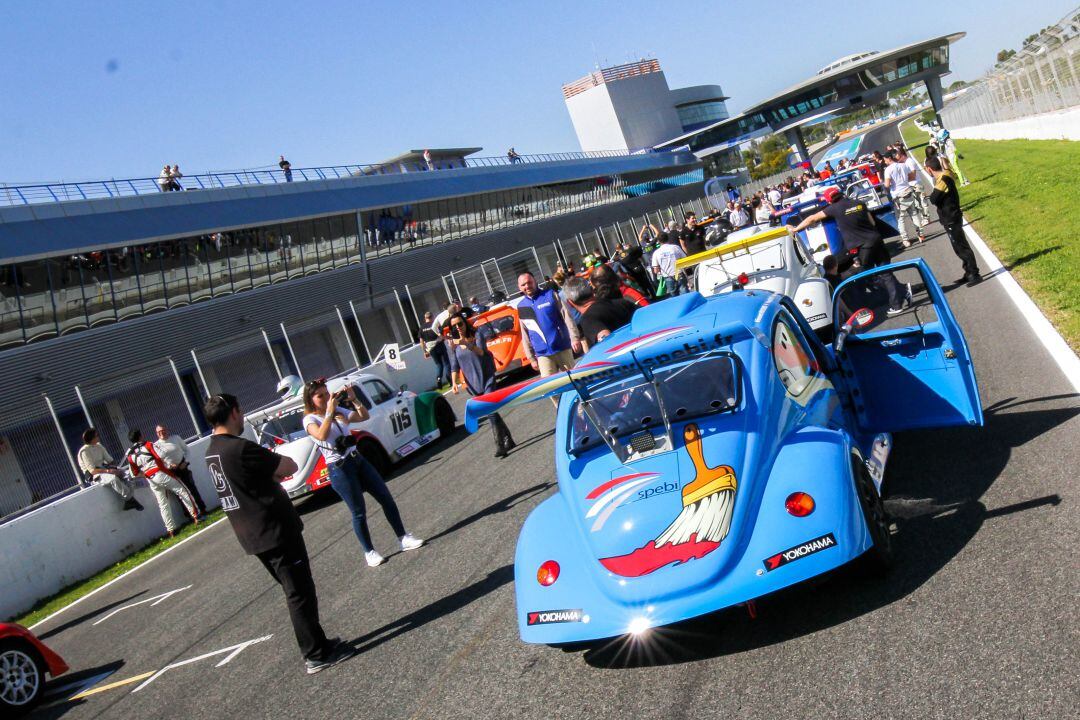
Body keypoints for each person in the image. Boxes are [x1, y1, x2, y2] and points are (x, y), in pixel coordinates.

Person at [203, 393, 354, 674]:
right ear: (234, 413)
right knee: (299, 593)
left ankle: (319, 642)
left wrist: (267, 474)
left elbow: (247, 480)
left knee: (296, 590)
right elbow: (288, 466)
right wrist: (270, 472)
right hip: (274, 530)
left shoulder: (212, 452)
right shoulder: (240, 448)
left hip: (253, 534)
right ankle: (315, 654)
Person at [302, 379, 423, 567]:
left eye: (327, 393)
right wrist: (329, 412)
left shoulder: (338, 411)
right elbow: (321, 436)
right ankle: (369, 552)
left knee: (385, 496)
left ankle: (403, 537)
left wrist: (354, 399)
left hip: (357, 459)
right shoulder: (310, 420)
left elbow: (363, 416)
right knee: (358, 512)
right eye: (320, 396)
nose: (326, 398)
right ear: (310, 400)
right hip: (339, 468)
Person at [793, 186, 907, 315]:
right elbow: (872, 223)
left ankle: (901, 293)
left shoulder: (833, 209)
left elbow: (812, 219)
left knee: (867, 274)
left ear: (829, 200)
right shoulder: (858, 203)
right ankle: (899, 299)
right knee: (885, 272)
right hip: (877, 240)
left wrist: (796, 229)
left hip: (864, 246)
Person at [448, 314, 516, 457]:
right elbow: (454, 366)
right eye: (454, 326)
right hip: (473, 383)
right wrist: (454, 383)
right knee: (491, 411)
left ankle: (500, 445)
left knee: (490, 410)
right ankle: (508, 437)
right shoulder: (453, 344)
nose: (458, 327)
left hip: (487, 377)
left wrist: (466, 343)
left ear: (465, 323)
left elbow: (480, 352)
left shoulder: (477, 334)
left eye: (460, 324)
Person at [126, 429, 199, 537]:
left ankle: (171, 530)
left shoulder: (129, 454)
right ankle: (196, 516)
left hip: (150, 479)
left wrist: (147, 473)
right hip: (161, 473)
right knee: (182, 491)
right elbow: (162, 454)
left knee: (163, 504)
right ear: (140, 436)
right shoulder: (148, 444)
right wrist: (169, 464)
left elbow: (134, 473)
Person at [925, 156, 981, 286]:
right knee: (958, 247)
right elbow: (948, 167)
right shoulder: (946, 174)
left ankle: (974, 273)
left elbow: (933, 199)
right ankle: (968, 272)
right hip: (950, 217)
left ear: (929, 169)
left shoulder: (943, 180)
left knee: (961, 247)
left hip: (950, 216)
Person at [515, 272, 581, 378]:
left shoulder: (550, 295)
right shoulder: (521, 307)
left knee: (575, 380)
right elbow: (525, 334)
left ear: (535, 281)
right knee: (550, 390)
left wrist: (574, 338)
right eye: (523, 285)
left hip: (561, 347)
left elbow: (567, 317)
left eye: (529, 282)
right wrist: (531, 358)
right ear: (519, 287)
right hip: (543, 354)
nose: (527, 286)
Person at [77, 428, 143, 511]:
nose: (99, 437)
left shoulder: (99, 446)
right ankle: (129, 499)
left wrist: (115, 469)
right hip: (95, 475)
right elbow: (92, 471)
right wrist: (109, 471)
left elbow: (110, 460)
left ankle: (129, 501)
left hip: (104, 469)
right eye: (97, 435)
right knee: (113, 479)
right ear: (92, 438)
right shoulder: (84, 451)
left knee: (128, 476)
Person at [563, 276, 637, 348]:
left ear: (570, 303)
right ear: (592, 290)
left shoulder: (588, 320)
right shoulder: (622, 302)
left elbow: (609, 344)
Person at [154, 424, 208, 518]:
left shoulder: (176, 438)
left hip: (183, 467)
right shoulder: (156, 445)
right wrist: (169, 465)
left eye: (163, 430)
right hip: (171, 472)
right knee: (181, 494)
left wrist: (185, 462)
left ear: (166, 430)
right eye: (159, 432)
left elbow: (187, 450)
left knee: (192, 488)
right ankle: (190, 515)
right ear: (157, 434)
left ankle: (202, 509)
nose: (161, 433)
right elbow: (159, 461)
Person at [883, 150, 926, 248]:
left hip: (898, 196)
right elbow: (912, 177)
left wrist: (888, 184)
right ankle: (921, 235)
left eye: (885, 159)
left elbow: (887, 184)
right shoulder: (903, 165)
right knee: (914, 214)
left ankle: (906, 240)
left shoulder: (888, 170)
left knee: (901, 219)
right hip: (908, 191)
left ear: (889, 158)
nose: (884, 161)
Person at [896, 148, 930, 225]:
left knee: (922, 201)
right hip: (911, 185)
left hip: (916, 184)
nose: (898, 159)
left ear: (902, 155)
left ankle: (926, 218)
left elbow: (913, 175)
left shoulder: (910, 162)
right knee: (917, 204)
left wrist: (903, 180)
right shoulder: (904, 163)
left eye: (898, 157)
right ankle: (925, 217)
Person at [419, 311, 452, 388]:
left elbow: (421, 341)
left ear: (425, 318)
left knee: (438, 364)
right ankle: (449, 378)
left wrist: (425, 351)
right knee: (446, 363)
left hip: (431, 348)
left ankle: (439, 378)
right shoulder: (435, 325)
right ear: (432, 317)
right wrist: (448, 338)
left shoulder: (421, 328)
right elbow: (442, 334)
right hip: (439, 345)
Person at [650, 232, 687, 297]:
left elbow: (655, 270)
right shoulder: (675, 247)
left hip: (668, 276)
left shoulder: (656, 253)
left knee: (674, 297)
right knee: (685, 294)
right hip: (679, 273)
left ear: (658, 241)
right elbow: (684, 258)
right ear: (668, 238)